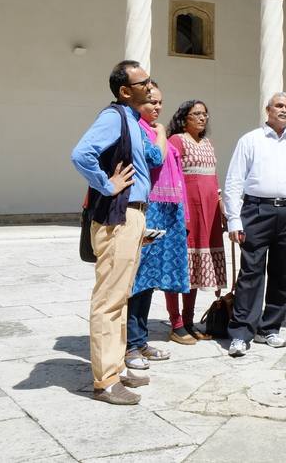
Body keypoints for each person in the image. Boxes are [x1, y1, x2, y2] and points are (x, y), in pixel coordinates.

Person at [71, 60, 165, 405]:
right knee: (109, 300)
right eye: (144, 83)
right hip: (118, 216)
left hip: (132, 216)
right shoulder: (113, 116)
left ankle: (114, 367)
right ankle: (105, 381)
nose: (150, 87)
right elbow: (81, 154)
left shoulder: (131, 120)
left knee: (119, 297)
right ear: (126, 91)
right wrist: (106, 185)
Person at [224, 93, 286, 357]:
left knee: (284, 273)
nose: (284, 110)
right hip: (257, 211)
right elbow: (234, 180)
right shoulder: (250, 140)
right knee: (251, 272)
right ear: (267, 109)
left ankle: (270, 328)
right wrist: (234, 218)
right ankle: (242, 332)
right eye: (279, 106)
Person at [125, 83, 190, 370]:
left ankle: (140, 340)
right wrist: (163, 133)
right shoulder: (139, 129)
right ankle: (129, 344)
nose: (157, 108)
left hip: (167, 210)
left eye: (160, 103)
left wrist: (183, 213)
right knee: (138, 279)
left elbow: (177, 174)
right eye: (151, 102)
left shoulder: (151, 129)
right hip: (148, 208)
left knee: (150, 279)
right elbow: (156, 158)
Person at [165, 100, 226, 342]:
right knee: (181, 266)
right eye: (196, 114)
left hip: (208, 213)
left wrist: (222, 208)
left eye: (204, 113)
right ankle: (176, 323)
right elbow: (170, 177)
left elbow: (214, 180)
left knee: (196, 269)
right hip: (186, 211)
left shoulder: (208, 144)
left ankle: (189, 321)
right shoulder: (176, 141)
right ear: (184, 118)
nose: (202, 118)